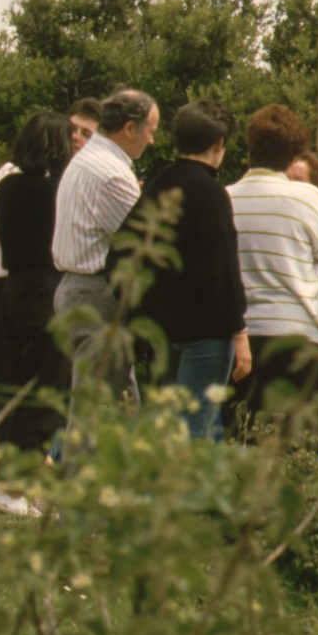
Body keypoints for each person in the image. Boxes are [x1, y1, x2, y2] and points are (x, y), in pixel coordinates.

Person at [120, 101, 247, 441]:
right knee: (194, 428)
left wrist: (145, 308)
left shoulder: (158, 187)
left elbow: (121, 255)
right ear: (219, 144)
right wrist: (238, 329)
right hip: (205, 331)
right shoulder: (211, 193)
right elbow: (222, 270)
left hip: (163, 329)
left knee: (166, 427)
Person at [227, 103, 318, 442]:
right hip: (298, 332)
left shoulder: (226, 198)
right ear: (293, 155)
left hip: (242, 334)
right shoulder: (307, 200)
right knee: (293, 446)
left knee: (242, 438)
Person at [0, 113, 78, 453]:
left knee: (10, 382)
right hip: (44, 289)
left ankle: (6, 464)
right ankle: (27, 468)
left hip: (12, 287)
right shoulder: (55, 191)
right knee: (42, 388)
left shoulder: (7, 185)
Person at [53, 87, 159, 395]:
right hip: (96, 294)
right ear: (129, 128)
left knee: (119, 407)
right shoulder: (110, 173)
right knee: (98, 409)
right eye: (149, 131)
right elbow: (146, 244)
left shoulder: (89, 159)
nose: (151, 140)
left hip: (77, 290)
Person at [0, 99, 95, 308]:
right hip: (11, 280)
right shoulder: (13, 175)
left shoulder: (59, 180)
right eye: (71, 131)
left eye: (86, 134)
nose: (75, 138)